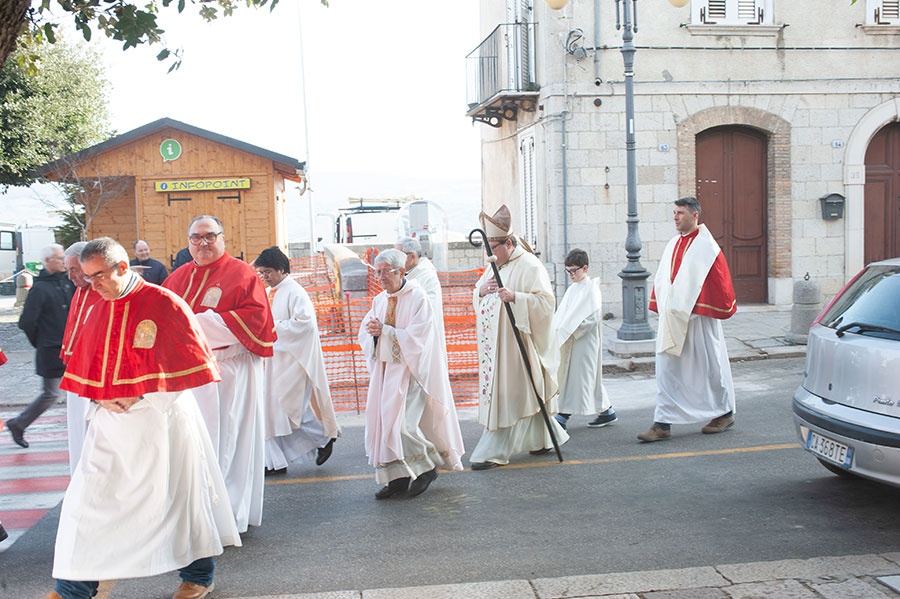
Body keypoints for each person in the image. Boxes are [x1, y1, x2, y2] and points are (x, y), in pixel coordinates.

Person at [44, 237, 239, 599]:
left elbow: (189, 366)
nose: (92, 285)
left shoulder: (164, 303)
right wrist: (100, 401)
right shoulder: (97, 304)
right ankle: (73, 586)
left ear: (121, 267)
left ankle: (198, 575)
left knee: (180, 499)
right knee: (86, 502)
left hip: (160, 423)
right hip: (109, 425)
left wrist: (139, 394)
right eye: (87, 278)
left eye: (99, 276)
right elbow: (87, 367)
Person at [164, 215, 275, 533]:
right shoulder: (178, 277)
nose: (203, 244)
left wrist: (200, 323)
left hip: (231, 373)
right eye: (196, 238)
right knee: (195, 444)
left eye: (210, 236)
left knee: (228, 442)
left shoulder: (241, 273)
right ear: (188, 242)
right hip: (191, 375)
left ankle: (227, 515)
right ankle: (198, 514)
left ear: (223, 238)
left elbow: (256, 317)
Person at [358, 249, 465, 499]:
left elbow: (420, 339)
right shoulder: (380, 300)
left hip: (411, 372)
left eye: (386, 272)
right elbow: (367, 332)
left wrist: (384, 332)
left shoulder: (418, 297)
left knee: (403, 425)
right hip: (386, 373)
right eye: (378, 272)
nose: (381, 277)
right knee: (385, 425)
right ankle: (397, 478)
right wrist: (373, 332)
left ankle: (428, 466)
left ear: (402, 271)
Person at [469, 205, 568, 470]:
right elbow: (480, 293)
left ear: (509, 243)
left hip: (517, 345)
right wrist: (481, 292)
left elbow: (546, 303)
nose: (489, 254)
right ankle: (545, 438)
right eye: (486, 248)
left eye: (493, 247)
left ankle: (494, 450)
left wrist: (517, 298)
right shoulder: (494, 264)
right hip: (496, 347)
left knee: (511, 393)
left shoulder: (530, 265)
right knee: (520, 393)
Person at [638, 196, 737, 443]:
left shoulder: (707, 246)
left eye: (680, 212)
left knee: (708, 368)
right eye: (674, 212)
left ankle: (724, 412)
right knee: (666, 369)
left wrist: (697, 307)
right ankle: (662, 423)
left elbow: (719, 282)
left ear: (695, 216)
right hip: (673, 320)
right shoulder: (673, 243)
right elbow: (663, 278)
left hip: (699, 321)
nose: (675, 216)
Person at [254, 246, 340, 476]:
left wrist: (271, 330)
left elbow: (305, 325)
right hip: (277, 359)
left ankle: (324, 436)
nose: (264, 277)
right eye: (261, 273)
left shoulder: (295, 291)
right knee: (275, 411)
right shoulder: (275, 291)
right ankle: (276, 461)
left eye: (268, 272)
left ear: (282, 269)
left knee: (291, 409)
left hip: (294, 360)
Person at [6, 244, 73, 449]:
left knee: (81, 392)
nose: (63, 261)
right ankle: (18, 423)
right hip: (51, 350)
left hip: (71, 348)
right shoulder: (40, 288)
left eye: (63, 257)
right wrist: (42, 342)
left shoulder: (68, 282)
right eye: (59, 258)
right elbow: (26, 322)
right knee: (51, 393)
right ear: (47, 262)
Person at [551, 249, 616, 431]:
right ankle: (607, 411)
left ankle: (563, 416)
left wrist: (571, 330)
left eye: (574, 271)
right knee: (585, 379)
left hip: (584, 342)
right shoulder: (574, 288)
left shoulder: (591, 289)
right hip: (572, 340)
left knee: (579, 379)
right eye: (568, 271)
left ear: (585, 268)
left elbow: (592, 319)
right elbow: (564, 314)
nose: (571, 275)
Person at [59, 241, 104, 473]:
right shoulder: (79, 290)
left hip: (96, 378)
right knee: (78, 432)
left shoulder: (104, 292)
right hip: (76, 373)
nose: (70, 276)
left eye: (74, 269)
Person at [395, 236, 445, 348]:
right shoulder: (401, 275)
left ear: (412, 256)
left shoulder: (427, 276)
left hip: (423, 335)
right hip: (404, 333)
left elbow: (429, 308)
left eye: (398, 256)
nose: (395, 260)